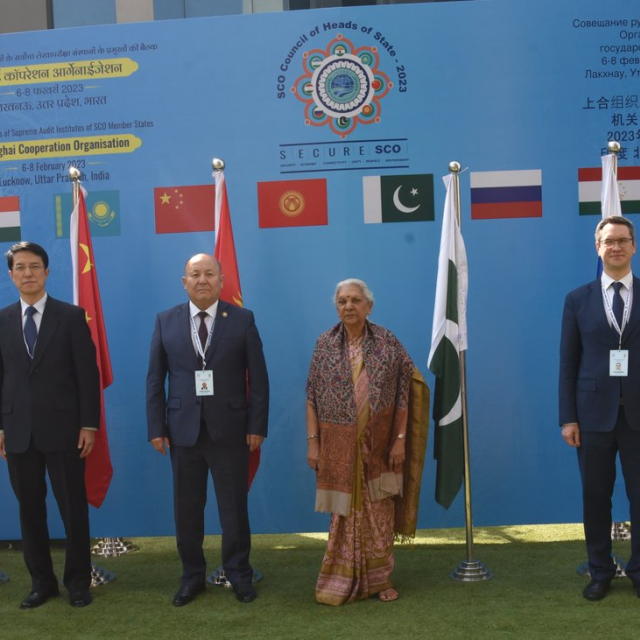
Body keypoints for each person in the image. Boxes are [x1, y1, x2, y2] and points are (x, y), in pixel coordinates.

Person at [146, 253, 269, 606]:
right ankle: (192, 577)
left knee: (234, 509)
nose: (202, 280)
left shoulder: (242, 319)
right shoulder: (165, 320)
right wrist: (156, 427)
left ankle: (239, 575)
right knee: (186, 511)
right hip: (182, 432)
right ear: (184, 281)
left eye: (209, 274)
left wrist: (256, 425)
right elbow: (155, 379)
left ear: (221, 280)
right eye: (195, 274)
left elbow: (259, 379)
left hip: (231, 432)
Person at [306, 278, 429, 605]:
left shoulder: (388, 342)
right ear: (337, 307)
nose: (348, 306)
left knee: (379, 513)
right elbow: (311, 396)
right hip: (340, 448)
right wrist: (313, 443)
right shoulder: (324, 344)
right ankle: (340, 577)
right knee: (344, 515)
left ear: (368, 307)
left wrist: (400, 440)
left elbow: (406, 391)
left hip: (380, 447)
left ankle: (380, 580)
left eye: (355, 300)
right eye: (342, 301)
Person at [0, 241, 100, 609]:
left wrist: (88, 424)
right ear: (11, 275)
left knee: (73, 509)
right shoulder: (2, 320)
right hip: (18, 432)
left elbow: (87, 375)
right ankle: (42, 584)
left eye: (34, 266)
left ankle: (78, 582)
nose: (27, 273)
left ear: (46, 271)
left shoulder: (71, 317)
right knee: (30, 511)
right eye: (20, 267)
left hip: (65, 431)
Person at [560, 215, 640, 600]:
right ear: (598, 247)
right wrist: (568, 418)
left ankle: (638, 570)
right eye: (609, 241)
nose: (616, 247)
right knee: (595, 498)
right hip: (591, 417)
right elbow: (568, 362)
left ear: (634, 246)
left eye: (623, 240)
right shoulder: (577, 299)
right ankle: (600, 571)